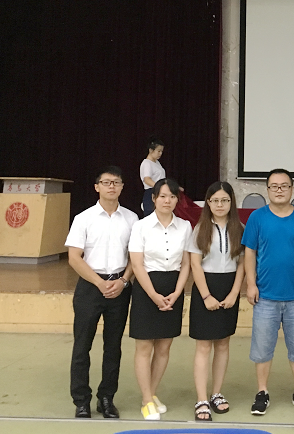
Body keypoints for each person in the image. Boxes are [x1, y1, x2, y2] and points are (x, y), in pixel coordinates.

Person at [66, 166, 138, 419]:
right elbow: (74, 257)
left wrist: (124, 281)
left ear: (122, 187)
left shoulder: (132, 219)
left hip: (119, 287)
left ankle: (106, 398)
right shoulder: (83, 218)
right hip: (90, 287)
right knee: (82, 345)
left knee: (113, 346)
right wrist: (98, 282)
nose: (111, 186)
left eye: (116, 182)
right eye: (106, 182)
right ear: (97, 187)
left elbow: (135, 257)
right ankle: (81, 400)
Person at [243, 168, 294, 416]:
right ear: (268, 190)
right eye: (274, 186)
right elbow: (249, 252)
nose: (279, 190)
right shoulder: (257, 217)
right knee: (262, 348)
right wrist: (251, 284)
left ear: (292, 189)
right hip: (265, 296)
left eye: (284, 186)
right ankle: (262, 392)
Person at [128, 178, 192, 420]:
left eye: (172, 196)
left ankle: (151, 393)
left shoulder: (185, 226)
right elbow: (137, 264)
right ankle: (146, 400)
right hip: (147, 288)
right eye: (163, 196)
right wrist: (154, 295)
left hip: (173, 287)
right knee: (144, 346)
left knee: (164, 346)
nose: (167, 201)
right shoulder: (140, 226)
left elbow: (186, 263)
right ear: (154, 199)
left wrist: (177, 292)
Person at [186, 181, 245, 421]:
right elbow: (195, 264)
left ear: (231, 203)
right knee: (203, 346)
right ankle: (202, 399)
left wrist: (234, 293)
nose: (220, 205)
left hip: (229, 287)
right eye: (215, 200)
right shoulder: (200, 229)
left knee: (222, 344)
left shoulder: (240, 228)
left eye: (225, 200)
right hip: (205, 288)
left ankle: (216, 393)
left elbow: (242, 264)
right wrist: (206, 296)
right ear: (208, 203)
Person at [140, 136, 165, 218]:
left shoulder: (157, 162)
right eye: (158, 151)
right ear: (151, 150)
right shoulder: (147, 163)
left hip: (160, 191)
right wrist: (160, 186)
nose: (160, 153)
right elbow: (147, 179)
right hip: (152, 192)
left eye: (161, 151)